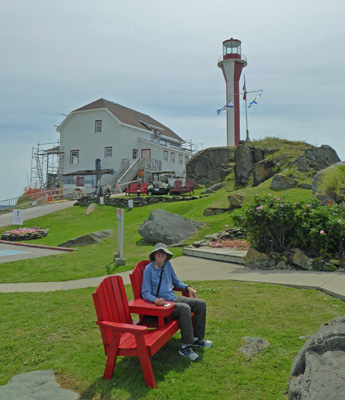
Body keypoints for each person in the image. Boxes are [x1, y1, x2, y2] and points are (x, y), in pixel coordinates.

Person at [141, 243, 213, 361]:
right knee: (184, 309)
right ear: (154, 255)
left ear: (166, 256)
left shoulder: (167, 265)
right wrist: (156, 300)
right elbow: (145, 292)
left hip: (173, 298)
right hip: (161, 305)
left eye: (163, 253)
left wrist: (187, 287)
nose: (161, 255)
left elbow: (176, 281)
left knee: (200, 304)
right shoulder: (148, 269)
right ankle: (184, 346)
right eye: (158, 253)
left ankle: (196, 338)